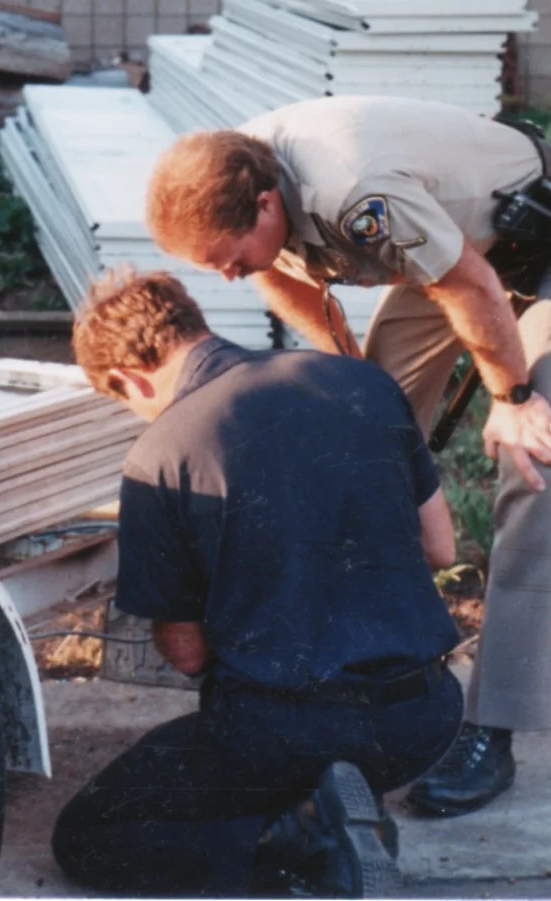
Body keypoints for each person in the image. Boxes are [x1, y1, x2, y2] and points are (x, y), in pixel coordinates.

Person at [144, 96, 551, 815]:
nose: (230, 278)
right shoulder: (241, 171)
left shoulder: (350, 194)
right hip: (457, 252)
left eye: (230, 259)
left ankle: (495, 724)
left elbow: (473, 286)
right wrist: (353, 382)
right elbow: (277, 275)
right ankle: (363, 670)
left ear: (267, 206)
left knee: (532, 461)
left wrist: (514, 396)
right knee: (360, 444)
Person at [50, 270, 464, 898]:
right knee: (318, 738)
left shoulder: (162, 453)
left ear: (131, 378)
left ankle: (302, 843)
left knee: (89, 834)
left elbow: (187, 652)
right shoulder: (362, 382)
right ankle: (347, 810)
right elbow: (440, 547)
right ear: (195, 323)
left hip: (284, 736)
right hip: (421, 721)